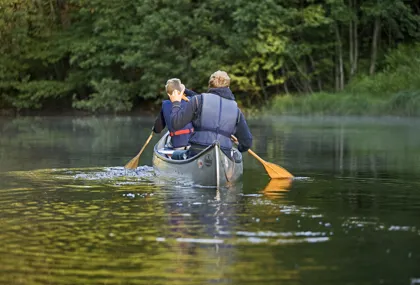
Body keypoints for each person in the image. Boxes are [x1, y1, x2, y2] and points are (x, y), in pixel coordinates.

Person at [168, 70, 252, 159]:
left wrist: (176, 102)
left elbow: (175, 124)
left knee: (175, 155)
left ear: (209, 86)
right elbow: (247, 143)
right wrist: (240, 147)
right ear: (228, 87)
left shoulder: (197, 100)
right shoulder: (236, 110)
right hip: (224, 152)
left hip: (197, 151)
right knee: (237, 155)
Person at [153, 78, 195, 150]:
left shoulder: (165, 105)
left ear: (168, 94)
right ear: (182, 90)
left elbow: (158, 129)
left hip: (177, 146)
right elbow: (199, 96)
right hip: (193, 144)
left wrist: (154, 129)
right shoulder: (191, 100)